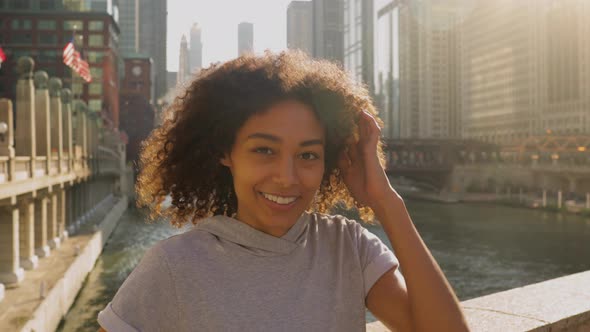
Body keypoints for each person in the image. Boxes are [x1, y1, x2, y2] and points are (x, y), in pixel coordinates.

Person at [97, 51, 469, 332]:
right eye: (264, 150)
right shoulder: (173, 265)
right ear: (225, 152)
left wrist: (386, 202)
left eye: (308, 154)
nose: (287, 177)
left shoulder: (350, 249)